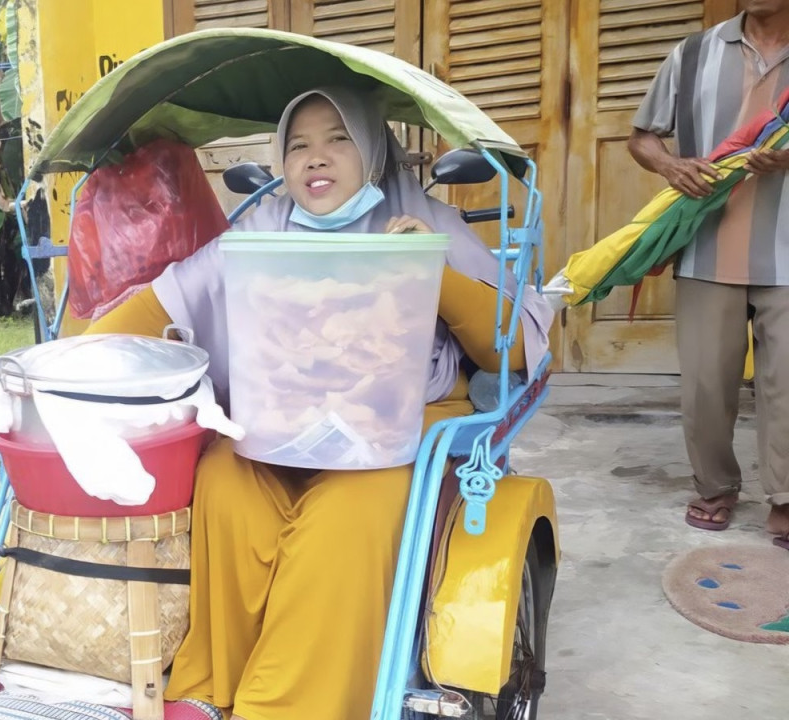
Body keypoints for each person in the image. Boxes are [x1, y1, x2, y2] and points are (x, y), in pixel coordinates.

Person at [85, 86, 553, 720]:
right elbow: (168, 302)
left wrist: (427, 268)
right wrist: (67, 361)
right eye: (298, 145)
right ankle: (213, 688)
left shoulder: (423, 221)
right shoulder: (262, 229)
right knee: (222, 480)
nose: (316, 157)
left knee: (345, 521)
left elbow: (512, 347)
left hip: (397, 429)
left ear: (371, 153)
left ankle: (288, 707)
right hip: (282, 429)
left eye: (338, 139)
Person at [628, 1, 789, 549]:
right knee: (704, 382)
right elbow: (642, 137)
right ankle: (716, 487)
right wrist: (672, 166)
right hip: (705, 246)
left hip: (788, 251)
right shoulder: (693, 54)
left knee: (787, 382)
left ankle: (786, 499)